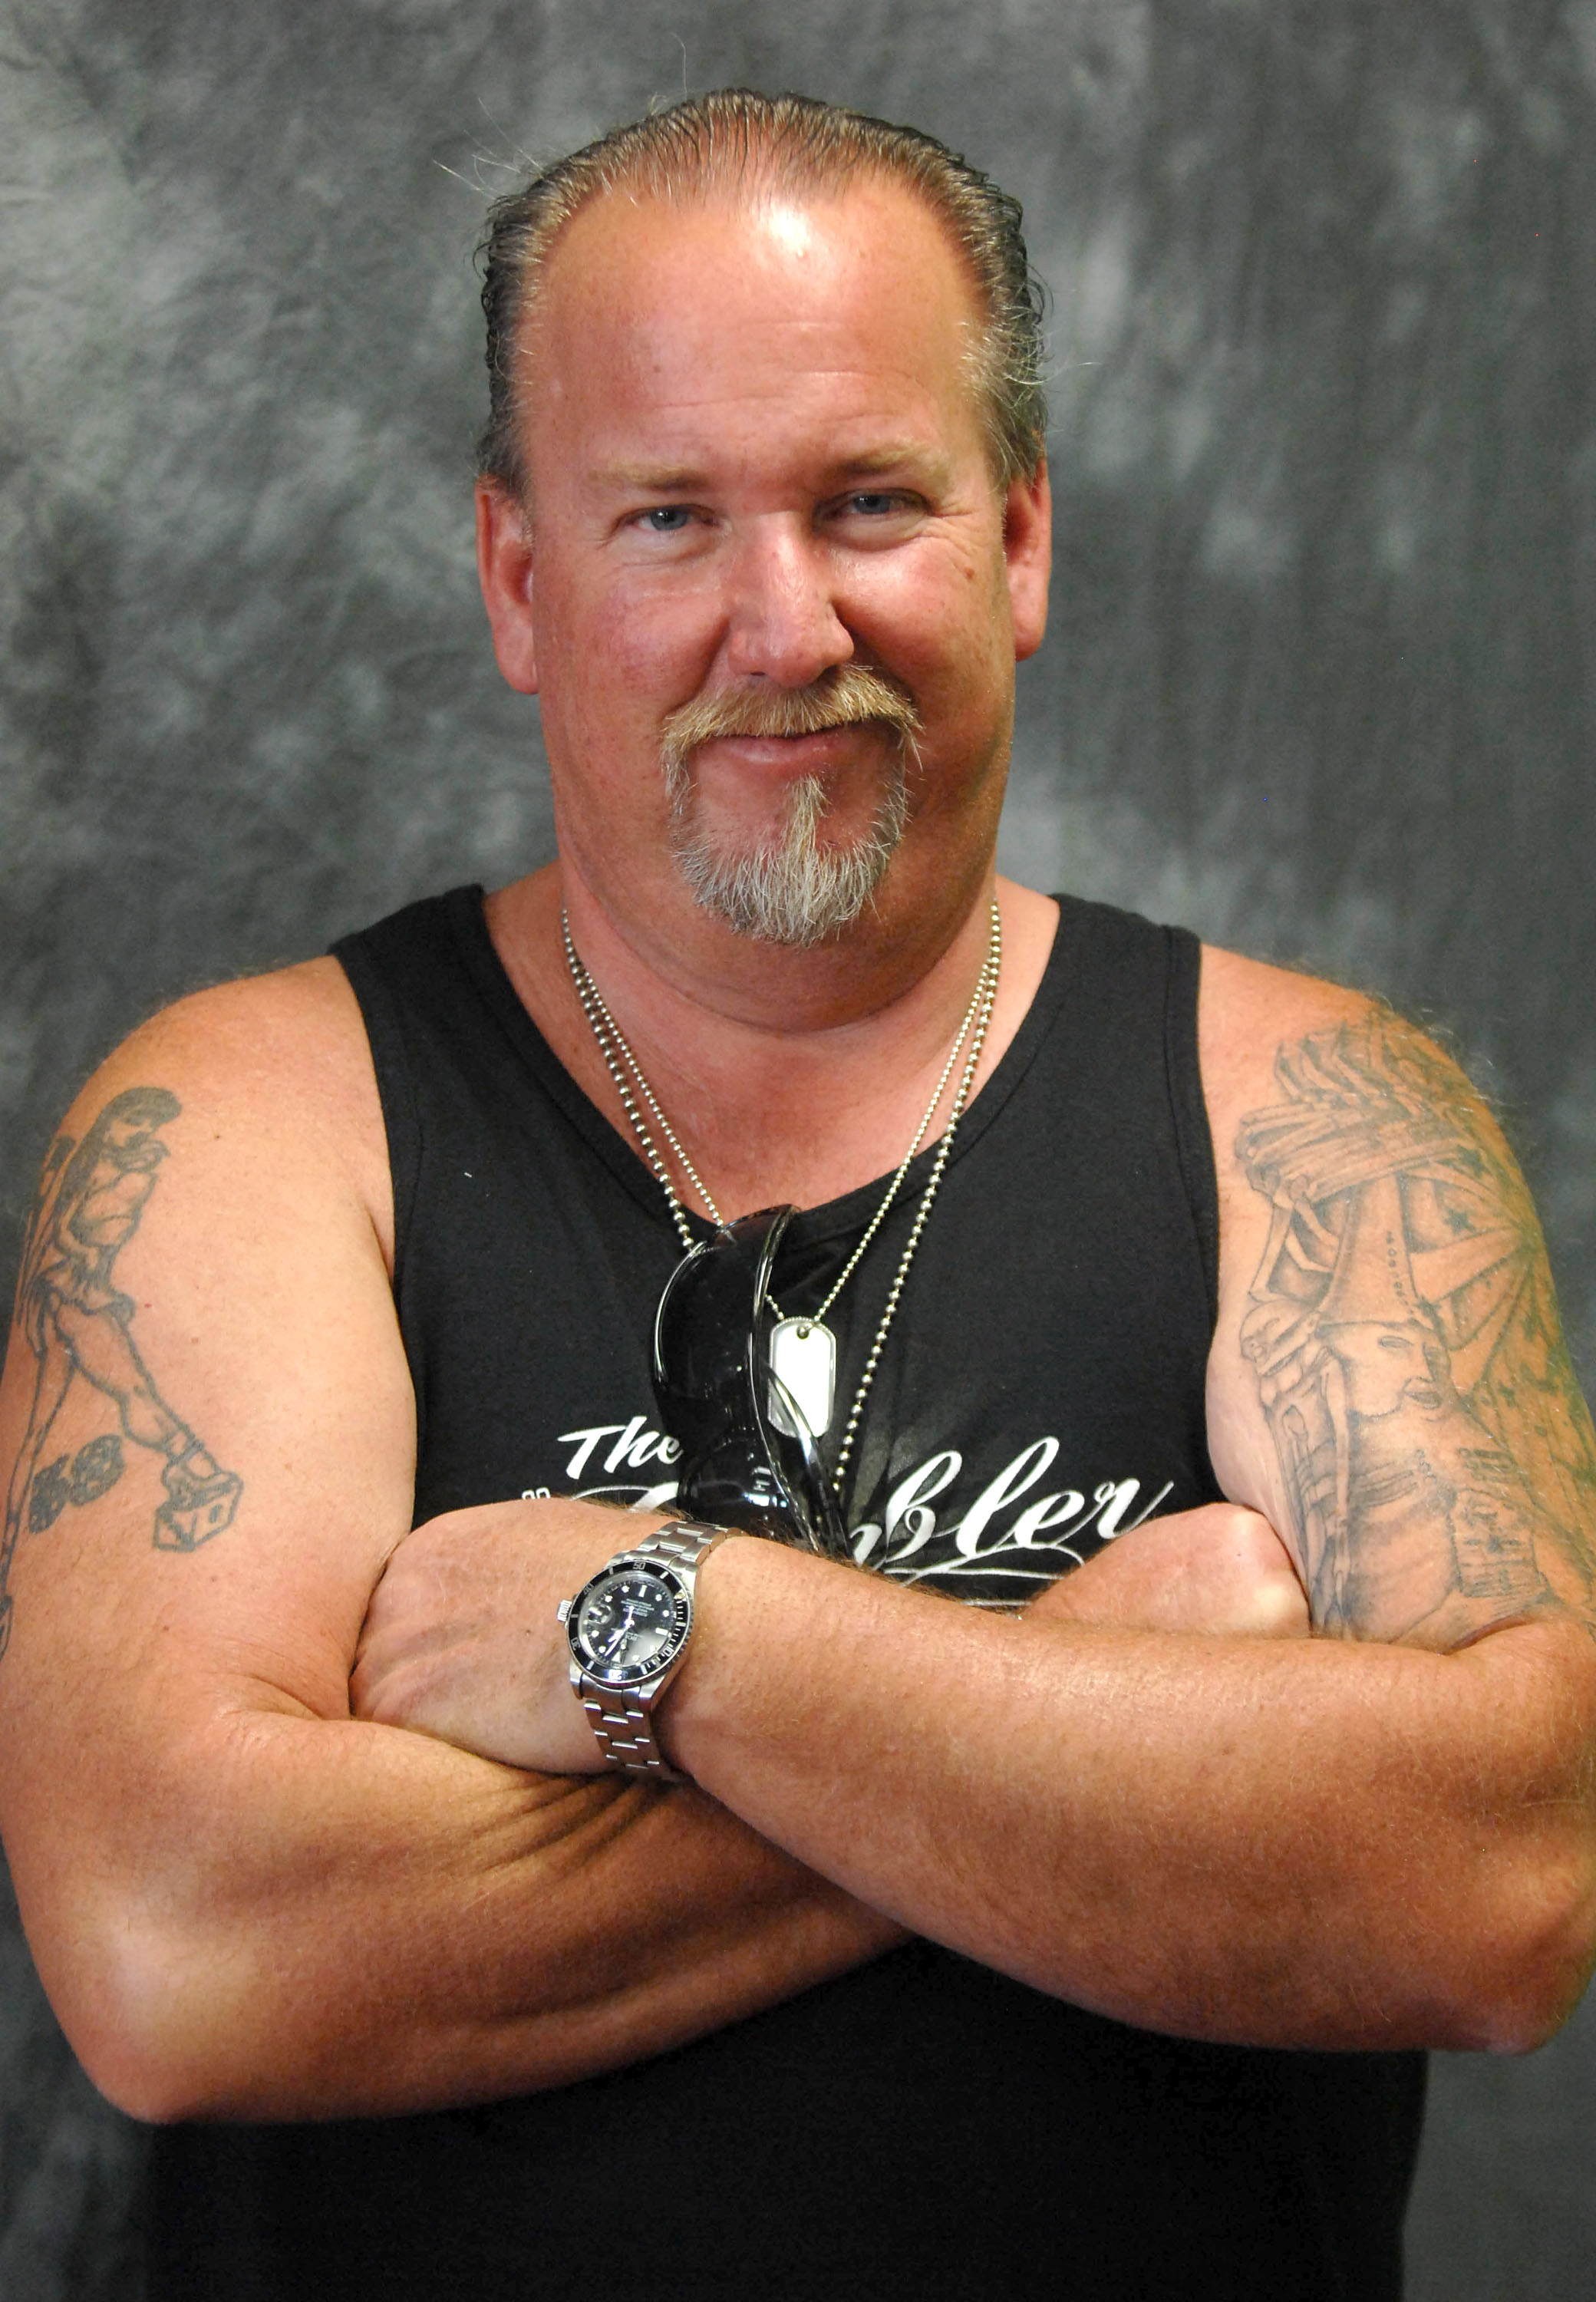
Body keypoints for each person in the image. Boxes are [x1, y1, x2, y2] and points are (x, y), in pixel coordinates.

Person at [1, 88, 1593, 2302]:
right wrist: (1068, 1692)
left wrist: (668, 1637)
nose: (780, 624)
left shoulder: (1315, 1114)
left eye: (871, 502)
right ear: (522, 580)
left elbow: (1497, 1879)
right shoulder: (254, 1124)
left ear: (1021, 540)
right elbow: (183, 1950)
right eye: (667, 519)